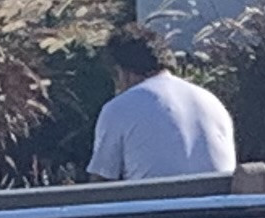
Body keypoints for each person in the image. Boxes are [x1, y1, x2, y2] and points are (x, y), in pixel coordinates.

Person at [87, 23, 236, 184]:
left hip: (158, 206)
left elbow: (101, 184)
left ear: (122, 72)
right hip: (220, 206)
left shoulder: (118, 108)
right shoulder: (212, 101)